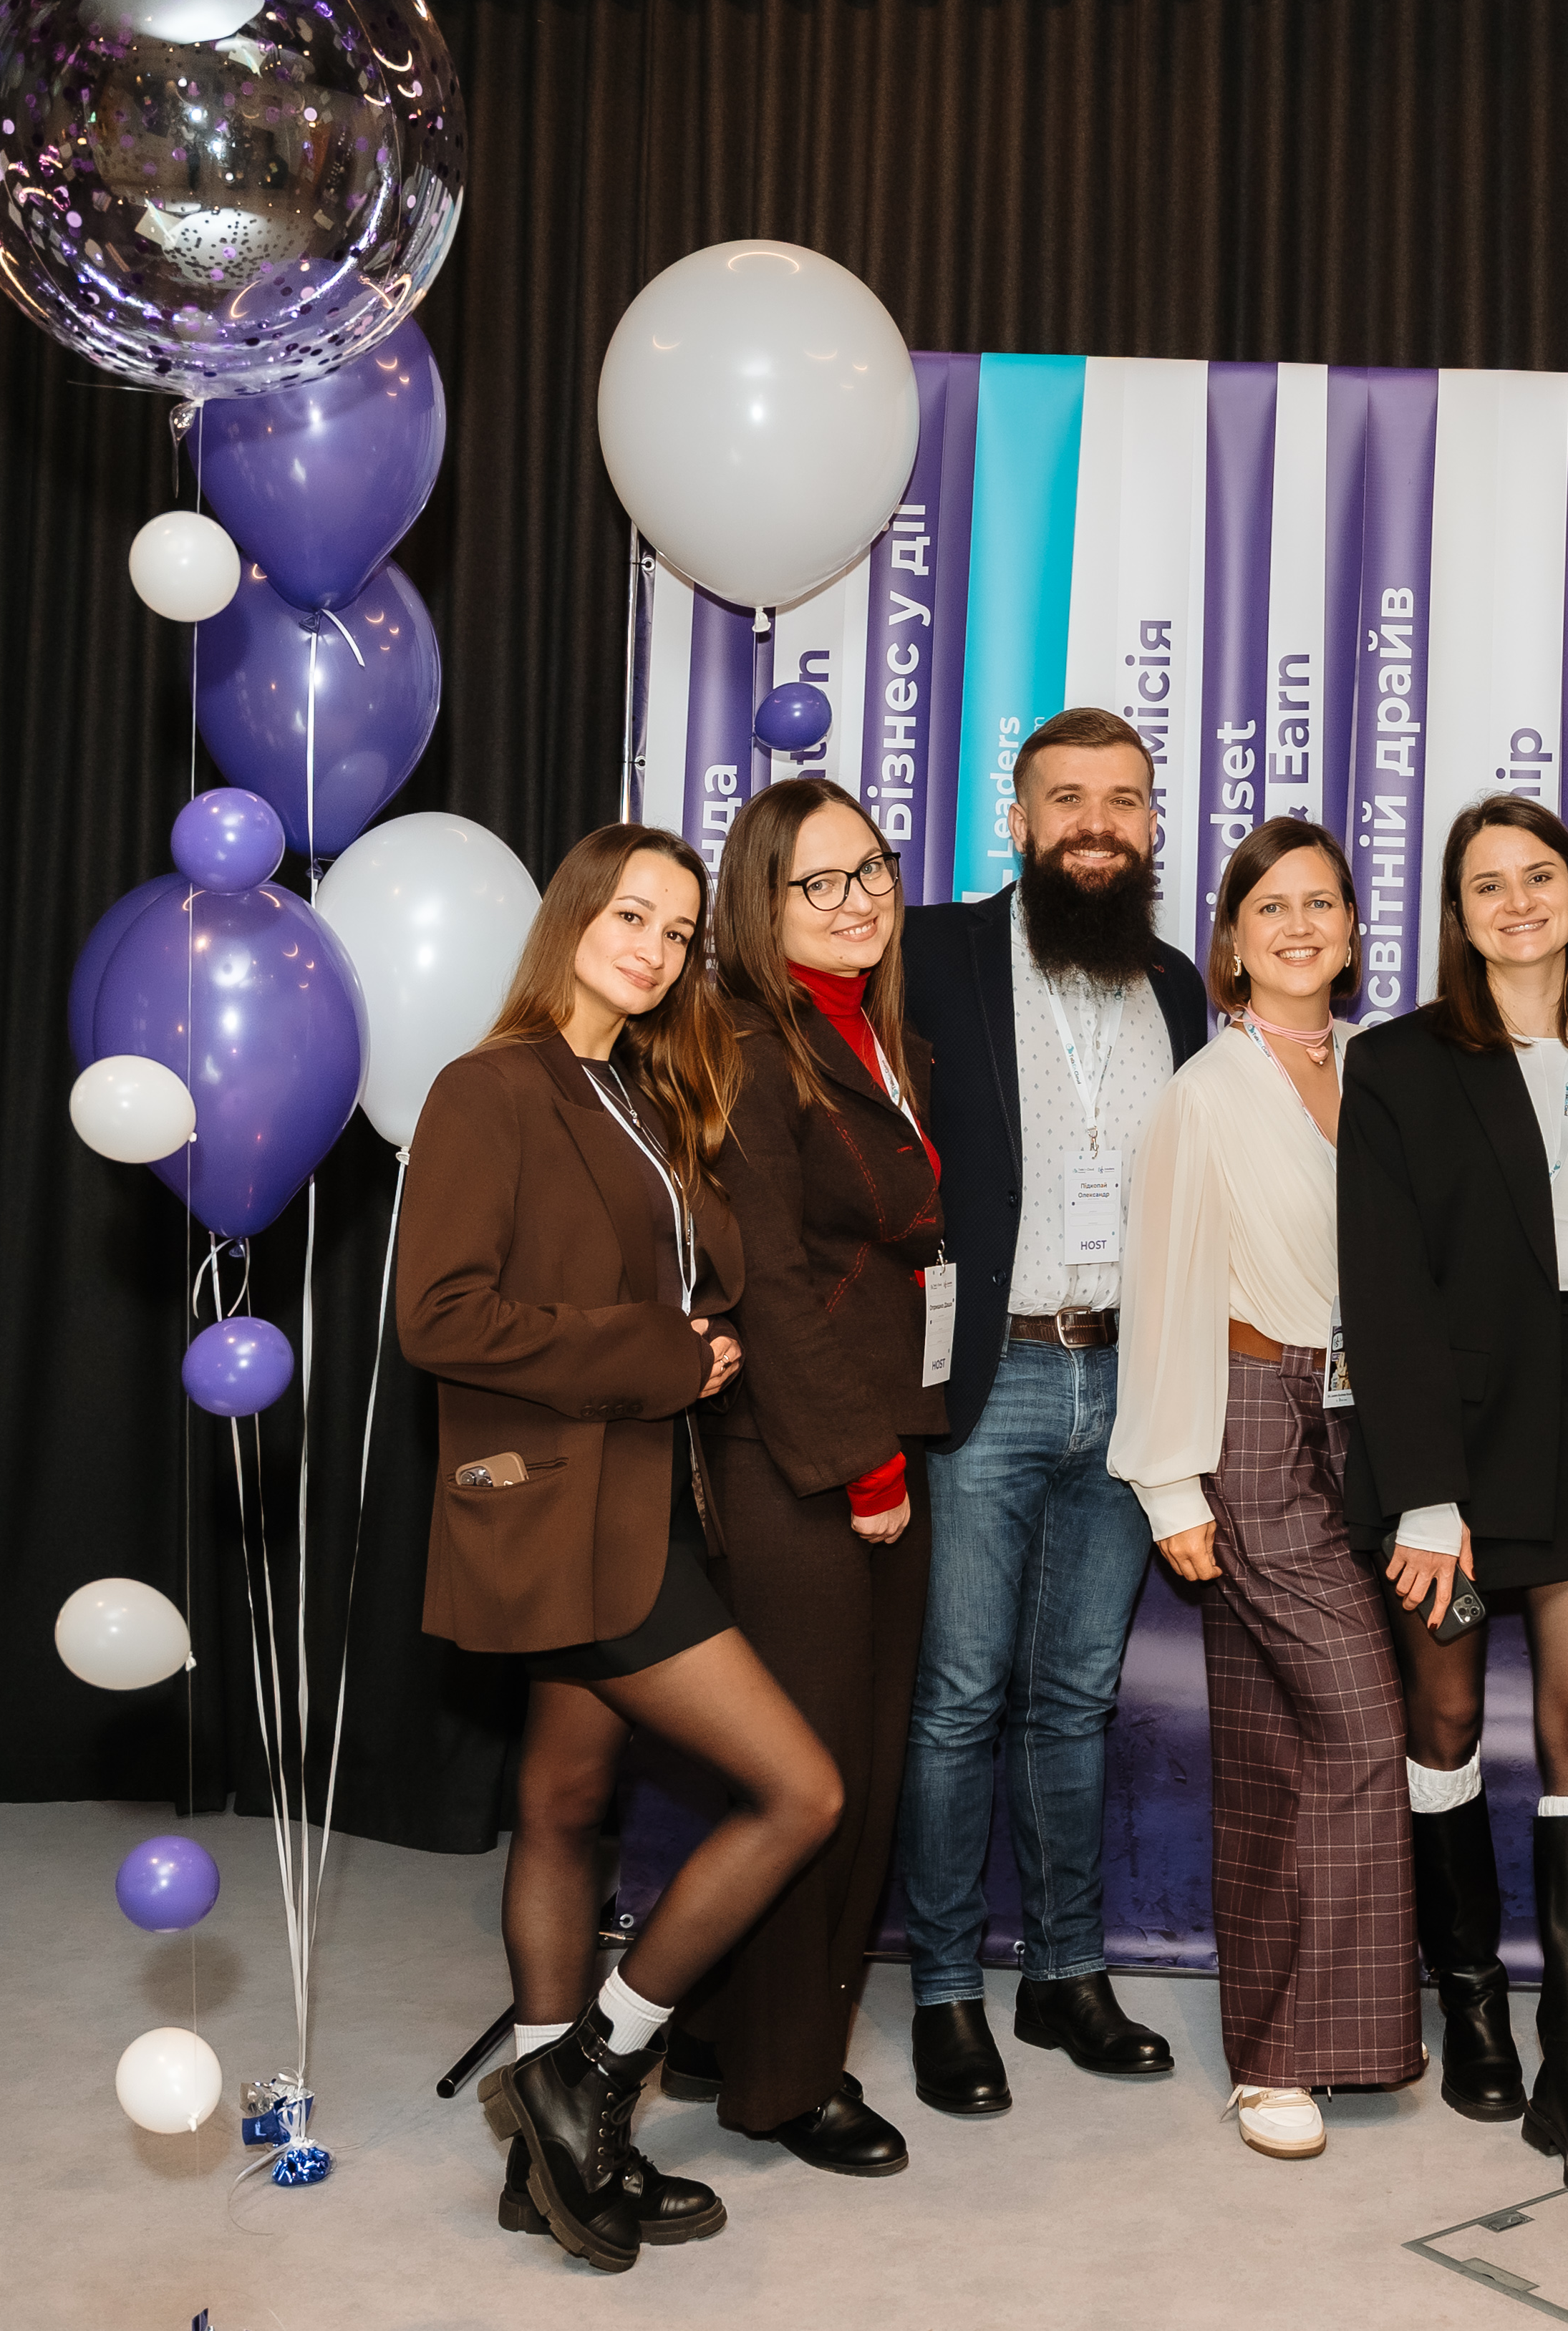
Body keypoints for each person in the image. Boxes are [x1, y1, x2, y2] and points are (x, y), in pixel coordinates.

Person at [397, 824, 843, 2274]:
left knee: (564, 1798)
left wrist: (702, 1340)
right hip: (556, 1514)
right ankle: (593, 2067)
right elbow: (438, 1318)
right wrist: (659, 1351)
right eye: (632, 916)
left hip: (642, 1500)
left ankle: (548, 2151)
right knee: (801, 1790)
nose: (654, 948)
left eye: (679, 930)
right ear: (574, 919)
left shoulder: (642, 1089)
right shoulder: (489, 1086)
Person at [1340, 793, 1568, 2211]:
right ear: (1457, 913)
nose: (1518, 901)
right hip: (1454, 1446)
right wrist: (1426, 1494)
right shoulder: (1398, 1063)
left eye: (1540, 875)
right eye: (1488, 884)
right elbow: (1385, 1288)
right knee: (1447, 1721)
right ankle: (1470, 1995)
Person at [892, 708, 1208, 2113]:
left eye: (1122, 800)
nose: (1096, 823)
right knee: (960, 1698)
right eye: (1066, 798)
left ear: (1152, 826)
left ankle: (1066, 1974)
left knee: (1075, 1698)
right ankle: (945, 1988)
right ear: (1015, 823)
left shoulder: (1179, 987)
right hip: (992, 1374)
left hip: (1131, 1379)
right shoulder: (932, 954)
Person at [1110, 820, 1418, 2161]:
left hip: (1361, 1425)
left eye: (1321, 903)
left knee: (1278, 1743)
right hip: (1242, 1416)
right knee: (1358, 1725)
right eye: (1270, 907)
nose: (1299, 926)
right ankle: (1288, 2054)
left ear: (1352, 927)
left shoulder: (1379, 1069)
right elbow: (1161, 1283)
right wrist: (1168, 1483)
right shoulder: (1207, 1091)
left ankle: (1279, 2042)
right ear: (1230, 941)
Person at [669, 777, 948, 2180]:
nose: (858, 900)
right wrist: (866, 1462)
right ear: (757, 904)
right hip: (807, 1458)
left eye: (872, 869)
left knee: (852, 1760)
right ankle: (784, 2085)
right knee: (825, 1778)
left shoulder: (874, 1030)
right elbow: (767, 1279)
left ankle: (721, 2027)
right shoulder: (743, 1043)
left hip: (877, 1428)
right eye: (819, 883)